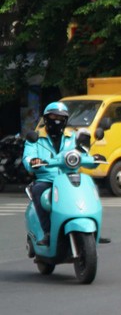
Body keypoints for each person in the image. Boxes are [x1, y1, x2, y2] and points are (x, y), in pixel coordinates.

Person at [23, 102, 76, 245]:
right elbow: (27, 157)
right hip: (47, 179)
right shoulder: (36, 137)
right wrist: (33, 161)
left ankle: (90, 228)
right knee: (39, 190)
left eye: (61, 116)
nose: (57, 119)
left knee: (89, 188)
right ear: (46, 118)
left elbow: (82, 153)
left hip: (69, 178)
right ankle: (48, 232)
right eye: (53, 115)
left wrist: (94, 157)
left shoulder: (72, 137)